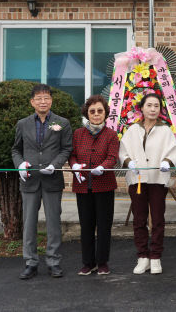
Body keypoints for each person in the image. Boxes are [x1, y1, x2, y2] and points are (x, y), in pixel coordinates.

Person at [11, 83, 73, 280]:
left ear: (51, 100)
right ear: (32, 102)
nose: (43, 101)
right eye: (38, 98)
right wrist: (20, 165)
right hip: (29, 181)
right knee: (29, 223)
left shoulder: (62, 123)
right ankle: (30, 262)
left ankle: (54, 261)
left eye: (46, 98)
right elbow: (16, 149)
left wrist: (55, 165)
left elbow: (66, 149)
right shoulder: (22, 124)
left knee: (54, 223)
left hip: (52, 179)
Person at [119, 92, 176, 275]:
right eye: (149, 105)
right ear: (142, 108)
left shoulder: (165, 130)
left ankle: (155, 256)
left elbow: (173, 151)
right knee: (139, 219)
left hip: (157, 180)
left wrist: (167, 162)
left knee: (158, 219)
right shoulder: (132, 130)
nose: (153, 109)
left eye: (156, 106)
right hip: (137, 180)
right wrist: (129, 162)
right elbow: (123, 151)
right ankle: (142, 256)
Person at [70, 94, 119, 276]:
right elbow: (72, 154)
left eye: (100, 111)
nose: (96, 114)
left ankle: (103, 262)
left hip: (104, 185)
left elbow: (112, 157)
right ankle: (88, 262)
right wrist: (74, 165)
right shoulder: (78, 134)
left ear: (105, 113)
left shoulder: (111, 135)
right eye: (92, 111)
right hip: (83, 187)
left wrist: (102, 167)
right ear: (87, 113)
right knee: (86, 225)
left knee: (104, 225)